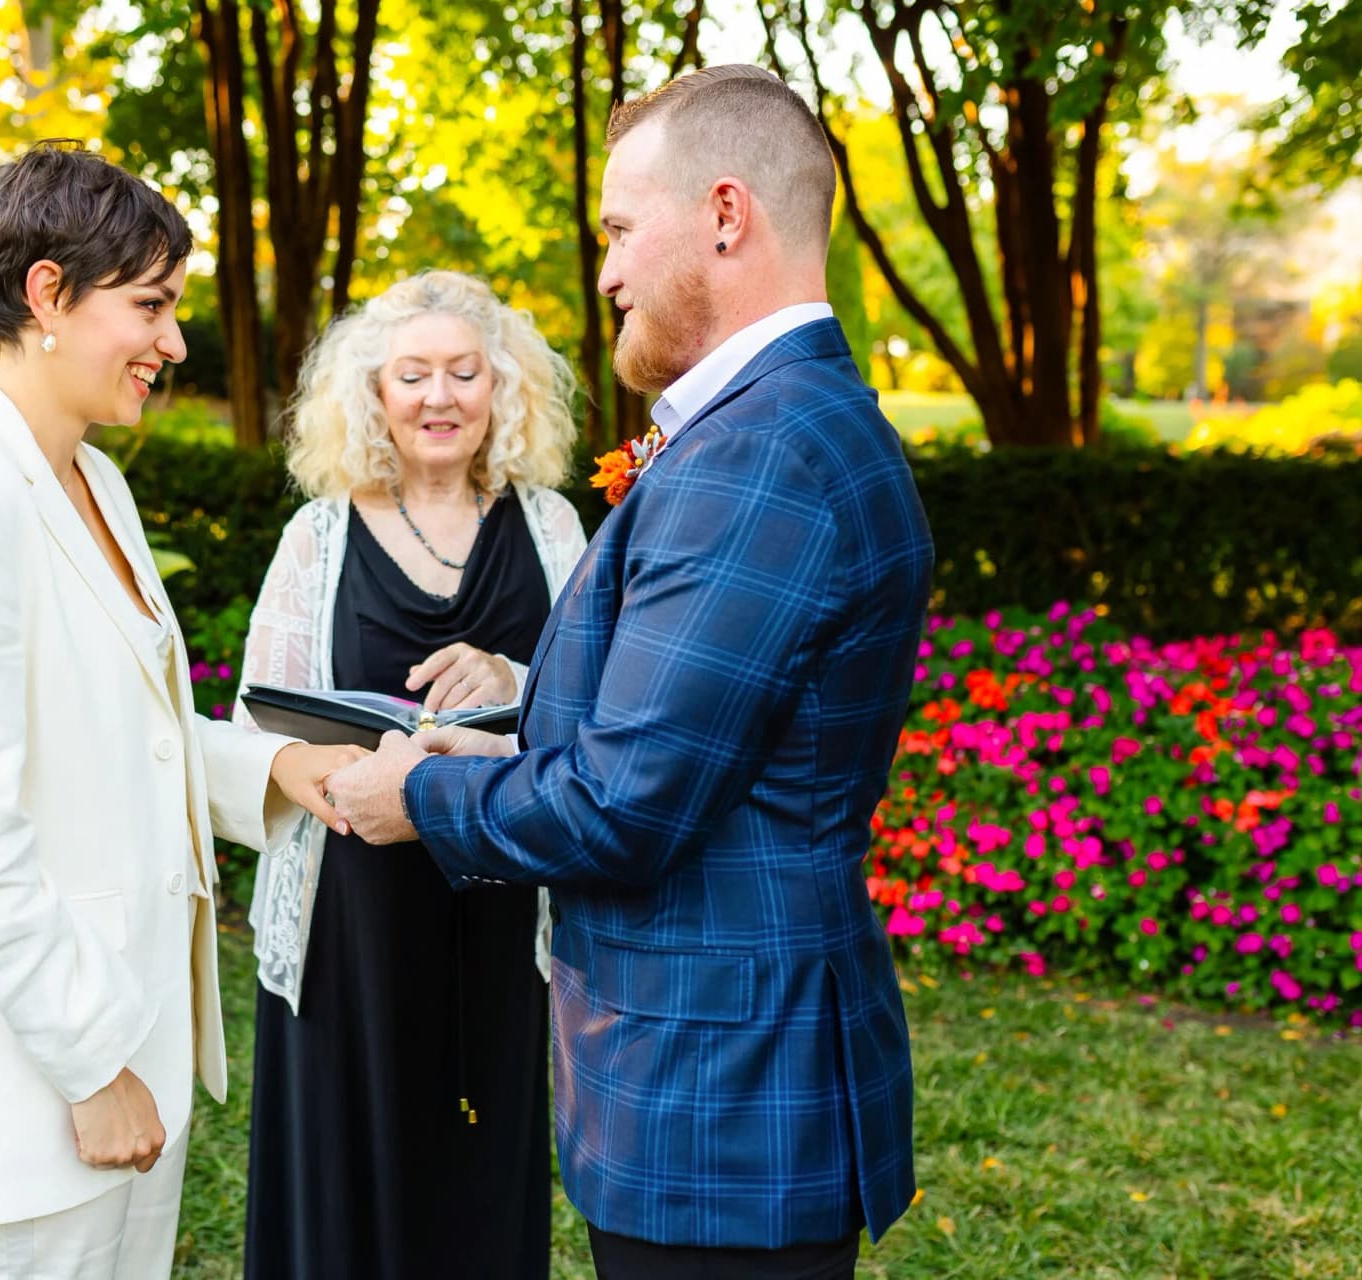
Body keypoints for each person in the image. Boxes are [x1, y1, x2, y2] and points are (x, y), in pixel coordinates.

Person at [328, 66, 933, 1280]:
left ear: (724, 215)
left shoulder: (759, 455)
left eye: (616, 229)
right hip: (725, 1077)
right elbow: (694, 750)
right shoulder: (780, 421)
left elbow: (623, 807)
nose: (603, 272)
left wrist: (418, 796)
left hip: (723, 1099)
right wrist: (504, 748)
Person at [0, 144, 359, 1280]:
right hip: (36, 1081)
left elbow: (121, 732)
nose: (174, 342)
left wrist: (278, 772)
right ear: (48, 294)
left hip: (136, 1041)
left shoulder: (97, 480)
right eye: (152, 304)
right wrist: (92, 1064)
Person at [234, 270, 587, 1279]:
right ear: (373, 396)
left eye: (464, 373)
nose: (439, 397)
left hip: (500, 902)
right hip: (351, 921)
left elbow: (606, 713)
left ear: (502, 388)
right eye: (413, 375)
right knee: (354, 1183)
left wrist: (518, 673)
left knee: (479, 1178)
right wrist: (330, 764)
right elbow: (260, 717)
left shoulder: (555, 528)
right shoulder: (320, 535)